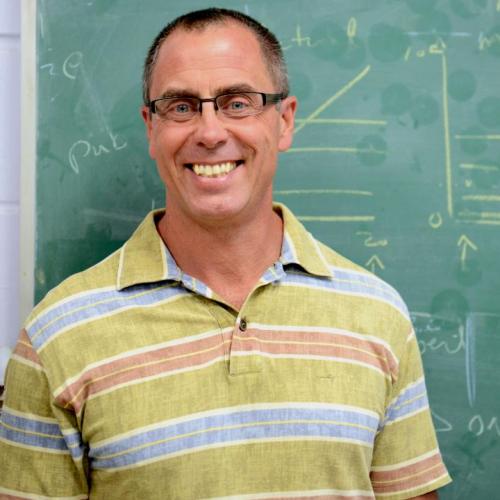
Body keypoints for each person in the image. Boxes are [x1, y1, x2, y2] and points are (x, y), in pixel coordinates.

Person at [0, 8, 451, 499]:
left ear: (284, 120)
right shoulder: (57, 337)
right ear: (151, 128)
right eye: (181, 107)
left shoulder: (378, 316)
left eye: (237, 103)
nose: (211, 132)